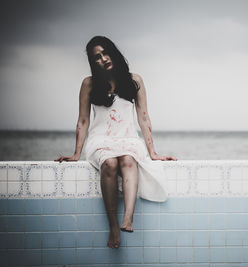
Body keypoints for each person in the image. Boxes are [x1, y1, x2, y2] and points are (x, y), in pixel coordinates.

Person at [55, 36, 176, 249]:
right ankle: (113, 227)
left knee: (129, 160)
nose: (103, 59)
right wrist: (75, 154)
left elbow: (144, 117)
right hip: (100, 140)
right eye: (97, 58)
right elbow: (83, 120)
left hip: (128, 137)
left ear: (113, 52)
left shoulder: (134, 80)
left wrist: (153, 152)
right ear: (94, 63)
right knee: (109, 163)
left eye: (105, 53)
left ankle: (128, 218)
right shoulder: (89, 84)